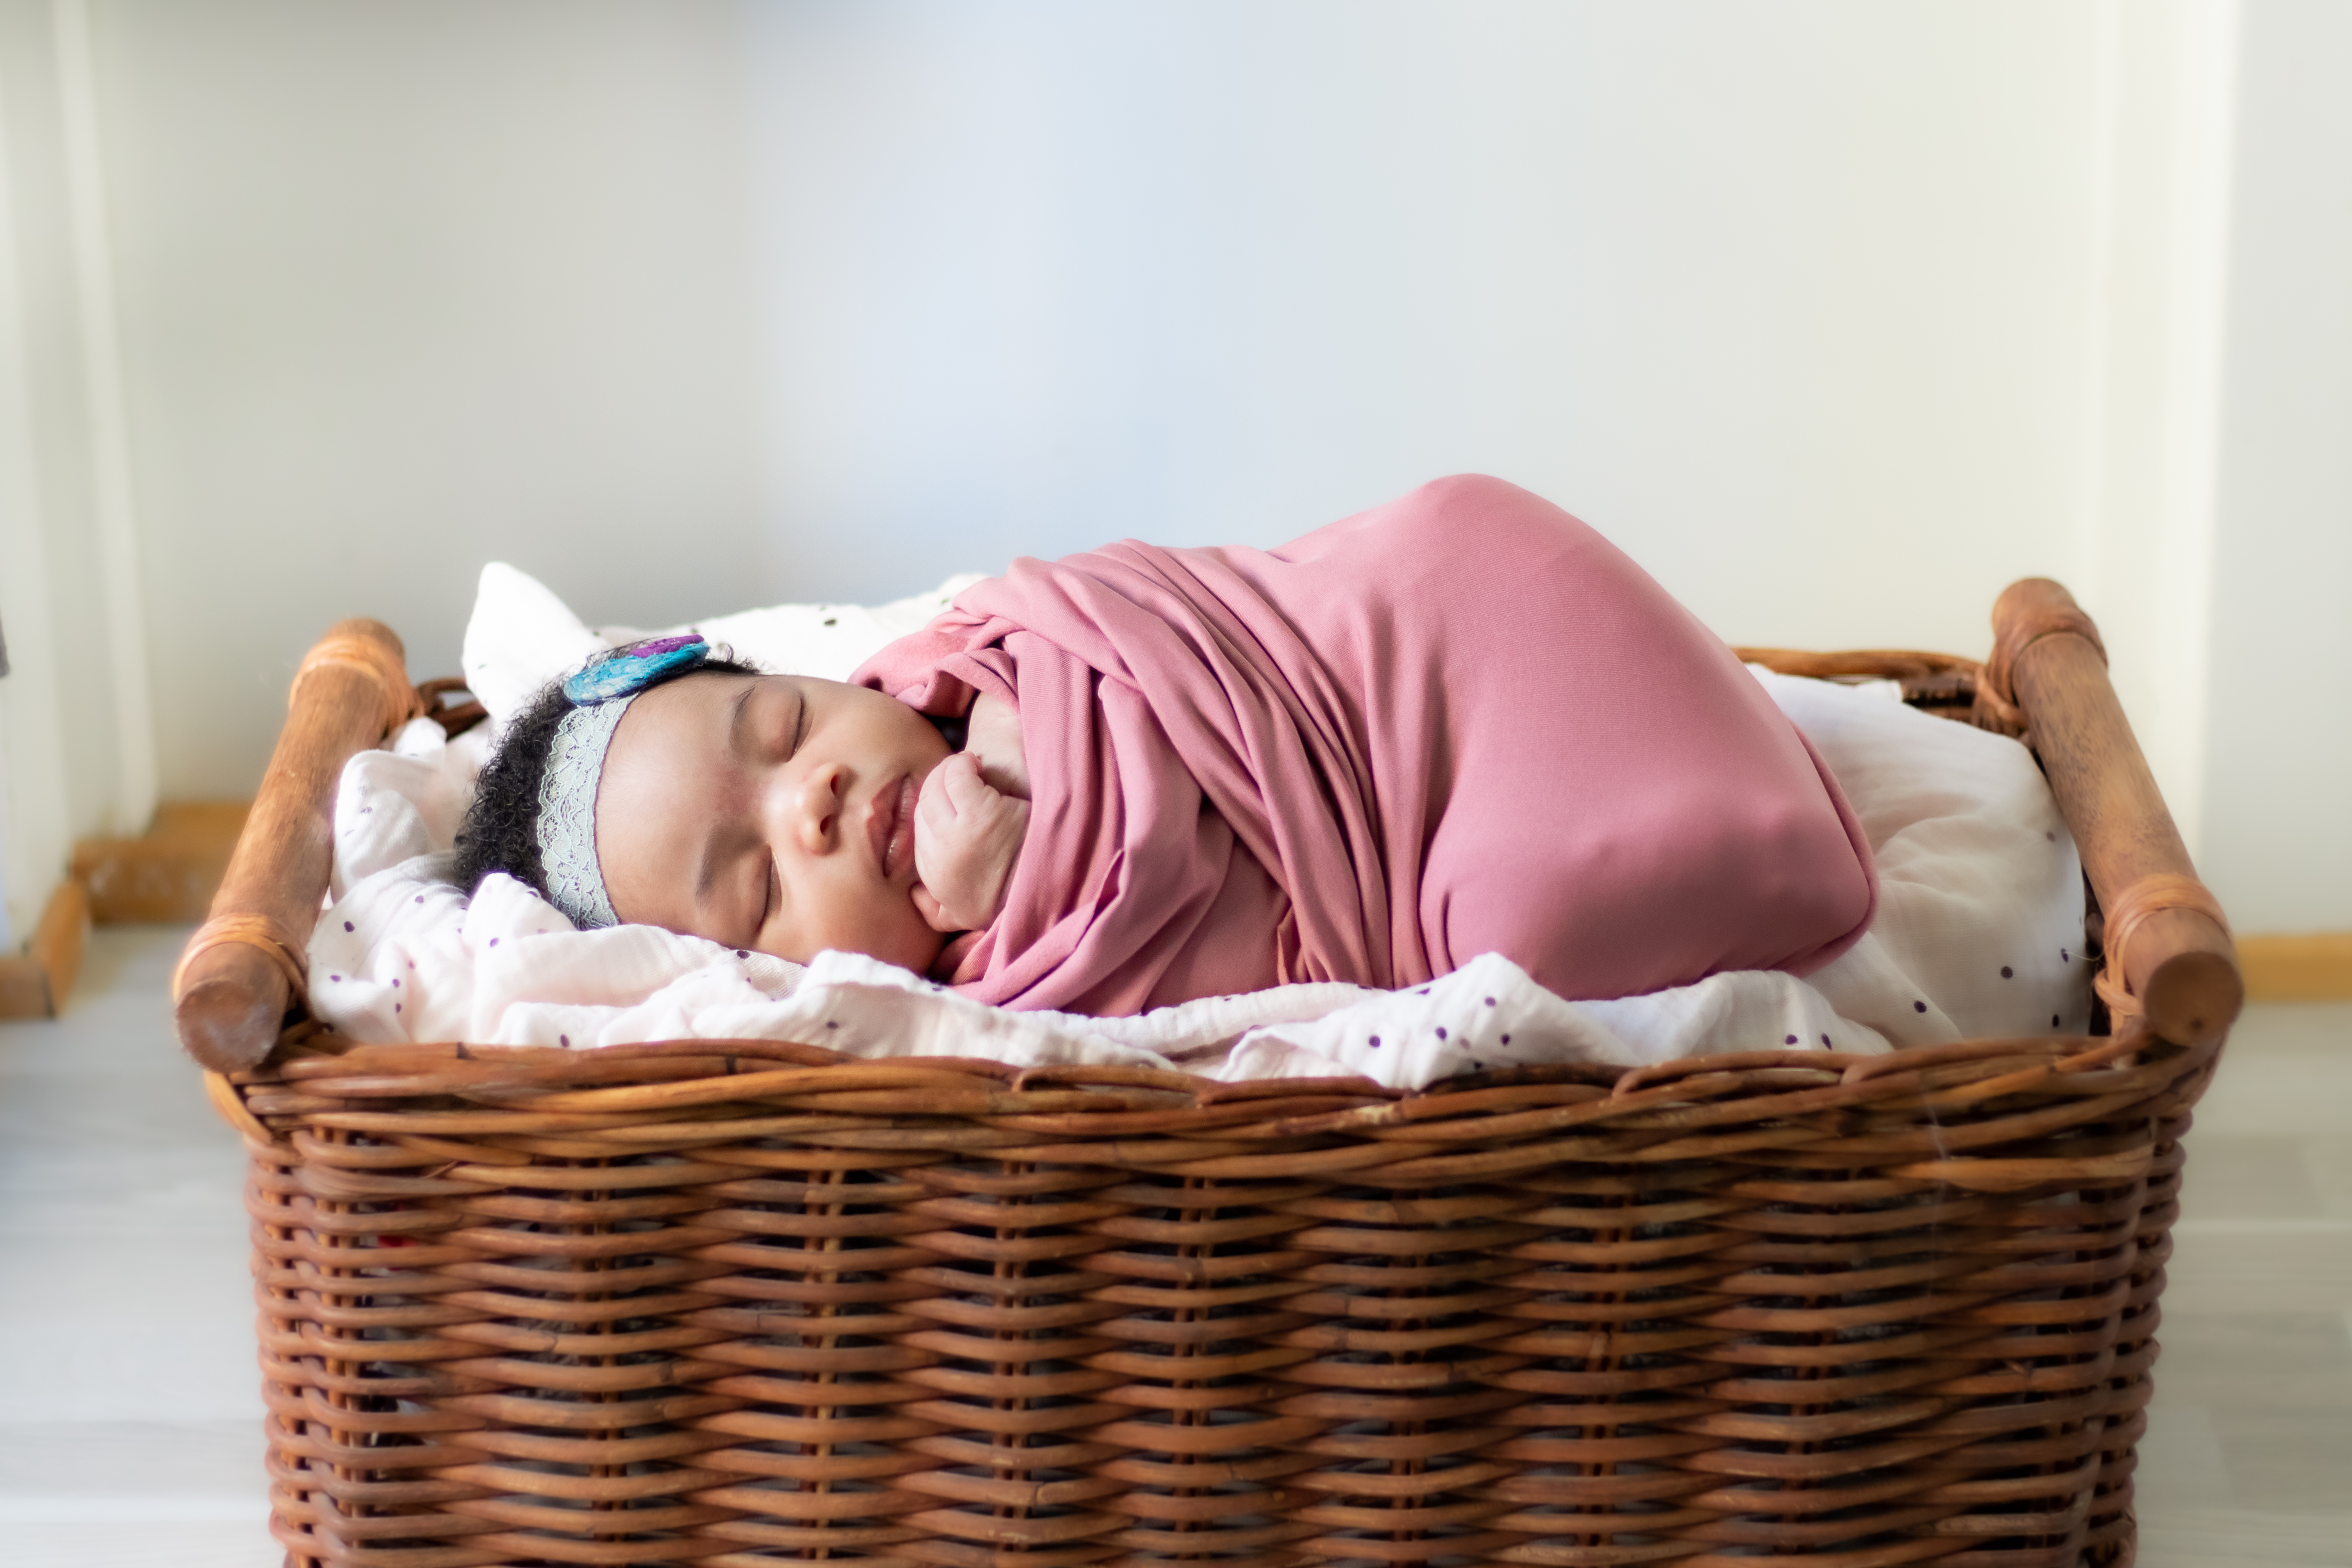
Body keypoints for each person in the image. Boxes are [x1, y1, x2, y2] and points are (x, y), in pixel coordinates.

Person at [454, 475, 1876, 1014]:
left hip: (1425, 628)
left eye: (785, 728)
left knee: (1452, 530)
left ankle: (1687, 764)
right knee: (1530, 913)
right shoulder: (980, 1000)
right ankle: (1723, 820)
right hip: (1431, 842)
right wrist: (1030, 877)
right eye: (757, 882)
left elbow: (1146, 633)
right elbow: (1198, 938)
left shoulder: (987, 652)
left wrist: (1028, 764)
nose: (811, 801)